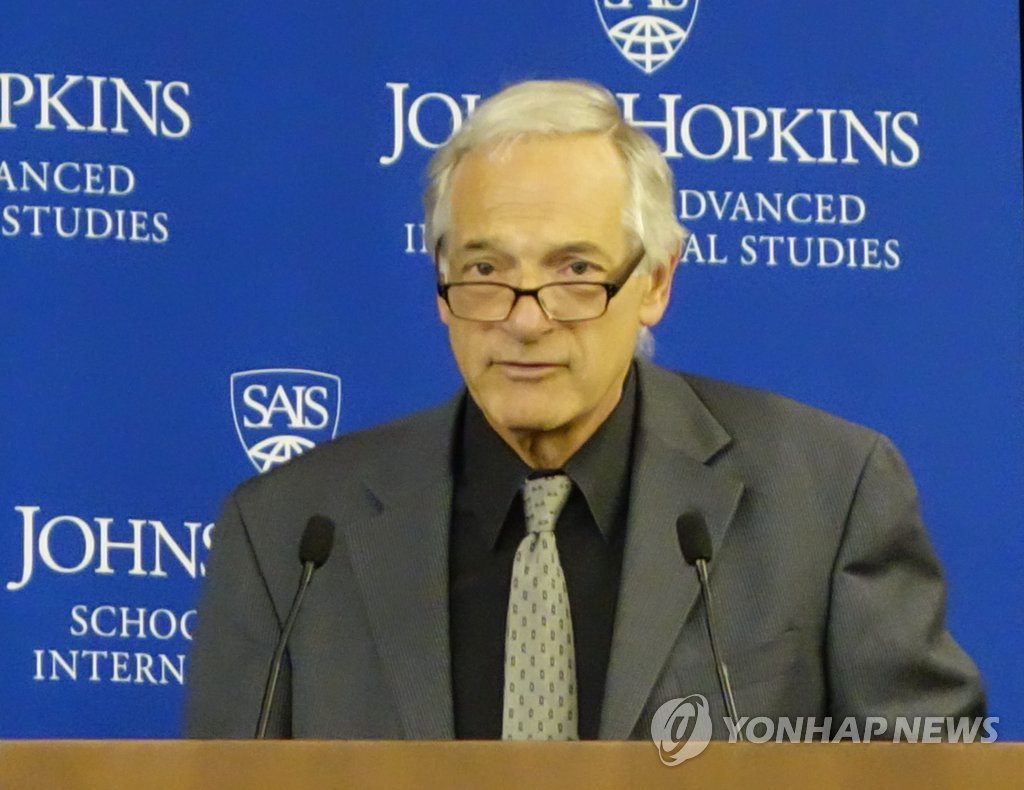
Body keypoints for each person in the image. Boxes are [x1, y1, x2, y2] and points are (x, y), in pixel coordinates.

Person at [185, 79, 984, 740]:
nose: (526, 319)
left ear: (656, 283)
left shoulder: (827, 496)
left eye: (574, 271)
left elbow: (931, 773)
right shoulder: (291, 535)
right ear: (439, 283)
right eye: (485, 270)